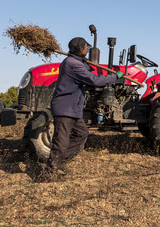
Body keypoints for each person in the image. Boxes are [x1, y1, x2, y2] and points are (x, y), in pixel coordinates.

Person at [38, 37, 123, 181]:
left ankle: (58, 162)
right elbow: (94, 80)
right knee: (61, 142)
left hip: (72, 109)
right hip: (65, 108)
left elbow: (85, 74)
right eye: (85, 48)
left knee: (82, 133)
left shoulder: (75, 62)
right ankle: (48, 174)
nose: (86, 50)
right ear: (79, 49)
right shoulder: (73, 64)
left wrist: (86, 64)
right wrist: (114, 77)